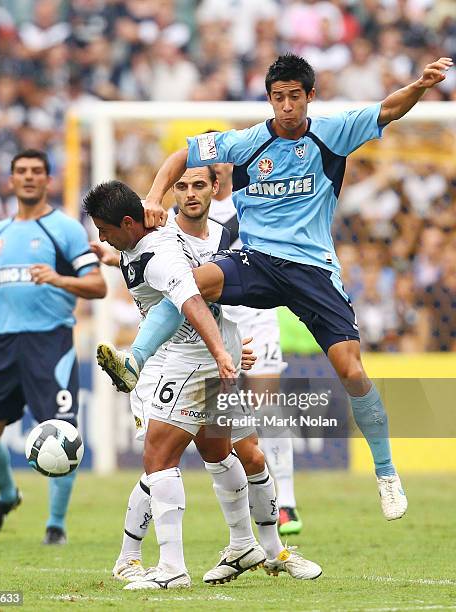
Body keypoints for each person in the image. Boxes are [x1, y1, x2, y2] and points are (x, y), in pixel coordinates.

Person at [104, 54, 453, 520]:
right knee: (194, 281)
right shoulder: (248, 141)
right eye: (278, 97)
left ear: (310, 96)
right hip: (258, 261)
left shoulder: (333, 132)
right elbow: (182, 154)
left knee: (350, 369)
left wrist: (420, 86)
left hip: (313, 270)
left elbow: (387, 109)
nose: (286, 106)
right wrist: (152, 197)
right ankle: (135, 361)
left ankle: (386, 473)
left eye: (294, 96)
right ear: (269, 99)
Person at [90, 168, 321, 590]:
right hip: (210, 352)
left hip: (190, 360)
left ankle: (170, 569)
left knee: (159, 457)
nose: (103, 237)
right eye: (183, 185)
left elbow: (190, 300)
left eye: (106, 232)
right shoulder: (147, 225)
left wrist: (219, 351)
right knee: (221, 452)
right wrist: (227, 348)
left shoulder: (160, 254)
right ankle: (247, 546)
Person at [0, 149, 107, 544]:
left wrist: (58, 280)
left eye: (36, 172)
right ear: (10, 180)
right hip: (4, 345)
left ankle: (55, 526)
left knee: (62, 435)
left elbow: (97, 285)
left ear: (47, 180)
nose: (28, 177)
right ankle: (8, 495)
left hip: (50, 342)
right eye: (21, 171)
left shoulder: (65, 229)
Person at [209, 160, 302, 535]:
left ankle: (288, 505)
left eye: (217, 165)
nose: (210, 174)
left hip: (257, 316)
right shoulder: (179, 214)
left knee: (268, 408)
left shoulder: (252, 202)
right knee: (222, 418)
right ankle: (247, 506)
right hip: (213, 322)